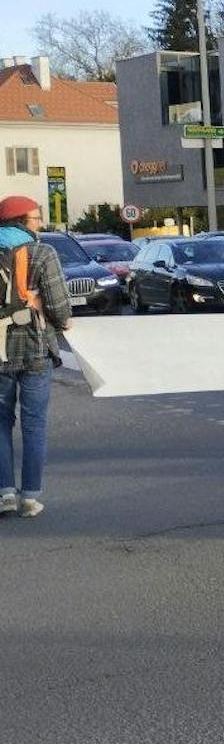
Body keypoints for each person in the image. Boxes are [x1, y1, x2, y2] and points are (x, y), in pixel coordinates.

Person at [0, 196, 71, 519]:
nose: (40, 224)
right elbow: (59, 308)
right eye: (35, 218)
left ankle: (4, 495)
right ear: (20, 222)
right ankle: (29, 497)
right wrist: (63, 321)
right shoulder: (43, 252)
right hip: (34, 350)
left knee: (0, 425)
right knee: (34, 424)